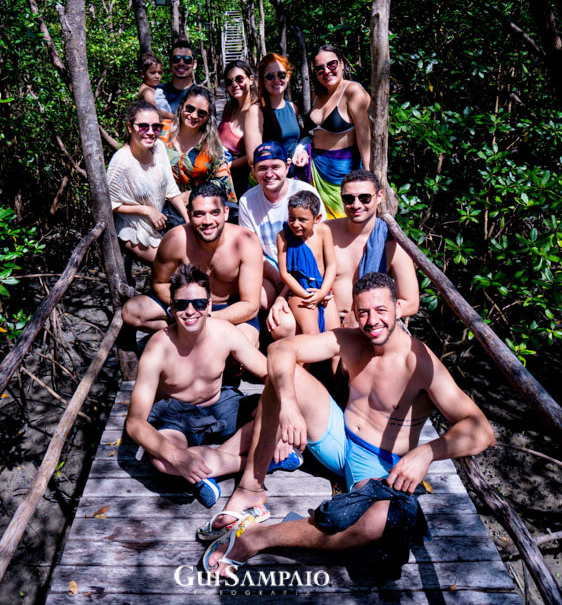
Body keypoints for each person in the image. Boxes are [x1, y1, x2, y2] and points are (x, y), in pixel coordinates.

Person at [202, 272, 494, 579]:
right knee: (282, 375)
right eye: (363, 312)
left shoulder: (420, 362)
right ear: (354, 312)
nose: (372, 321)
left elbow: (481, 430)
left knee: (380, 523)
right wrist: (289, 405)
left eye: (381, 310)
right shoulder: (353, 340)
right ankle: (250, 490)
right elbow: (280, 350)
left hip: (379, 467)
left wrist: (426, 453)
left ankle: (256, 538)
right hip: (339, 438)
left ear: (398, 308)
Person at [125, 265, 269, 510]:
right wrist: (176, 455)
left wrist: (288, 411)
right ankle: (255, 463)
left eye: (199, 303)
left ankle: (206, 471)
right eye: (181, 305)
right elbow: (135, 422)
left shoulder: (225, 332)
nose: (190, 311)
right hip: (175, 415)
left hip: (221, 405)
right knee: (162, 460)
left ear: (210, 306)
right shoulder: (158, 348)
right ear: (172, 309)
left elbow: (271, 374)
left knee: (274, 413)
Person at [121, 182, 263, 349]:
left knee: (247, 343)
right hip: (185, 304)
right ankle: (182, 332)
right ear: (188, 214)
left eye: (214, 213)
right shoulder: (176, 239)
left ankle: (197, 337)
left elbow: (250, 305)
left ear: (225, 213)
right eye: (199, 214)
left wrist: (206, 317)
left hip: (228, 308)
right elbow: (159, 283)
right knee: (131, 312)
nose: (207, 221)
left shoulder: (246, 242)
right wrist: (184, 309)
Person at [237, 142, 322, 334]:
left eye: (275, 166)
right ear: (253, 170)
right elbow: (252, 252)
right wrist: (279, 281)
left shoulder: (305, 192)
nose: (269, 174)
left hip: (304, 268)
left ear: (287, 165)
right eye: (262, 168)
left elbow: (318, 242)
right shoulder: (247, 201)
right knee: (259, 297)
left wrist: (288, 286)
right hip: (271, 271)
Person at [326, 169, 420, 326]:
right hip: (325, 319)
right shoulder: (325, 232)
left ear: (379, 196)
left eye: (365, 198)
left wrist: (366, 315)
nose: (356, 205)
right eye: (348, 198)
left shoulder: (392, 243)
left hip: (369, 326)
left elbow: (411, 303)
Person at [106, 101, 189, 264]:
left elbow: (171, 189)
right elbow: (108, 204)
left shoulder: (158, 147)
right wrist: (145, 210)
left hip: (160, 222)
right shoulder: (121, 162)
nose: (150, 132)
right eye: (143, 127)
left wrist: (188, 220)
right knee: (175, 268)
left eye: (156, 127)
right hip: (134, 229)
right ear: (130, 127)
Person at [299, 45, 373, 219]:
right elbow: (311, 134)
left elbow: (364, 137)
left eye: (331, 64)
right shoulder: (318, 95)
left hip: (342, 173)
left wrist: (368, 175)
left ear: (341, 64)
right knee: (318, 223)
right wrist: (301, 149)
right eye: (320, 68)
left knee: (346, 223)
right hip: (315, 171)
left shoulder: (353, 92)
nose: (326, 71)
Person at [276, 191, 338, 335]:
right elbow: (284, 273)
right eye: (292, 218)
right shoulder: (283, 236)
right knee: (311, 333)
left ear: (317, 218)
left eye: (302, 220)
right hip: (299, 292)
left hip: (322, 290)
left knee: (336, 335)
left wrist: (323, 292)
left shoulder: (323, 231)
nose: (295, 224)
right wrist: (307, 296)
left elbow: (332, 265)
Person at [166, 85, 235, 205]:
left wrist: (194, 194)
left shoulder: (211, 143)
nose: (194, 115)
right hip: (161, 204)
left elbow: (223, 181)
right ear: (181, 106)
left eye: (201, 113)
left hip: (197, 205)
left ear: (208, 117)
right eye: (189, 108)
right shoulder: (160, 132)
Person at [244, 53, 309, 175]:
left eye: (281, 75)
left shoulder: (293, 108)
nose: (276, 80)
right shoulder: (256, 111)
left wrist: (303, 152)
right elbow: (253, 158)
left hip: (295, 176)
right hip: (270, 178)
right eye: (269, 76)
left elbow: (295, 143)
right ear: (263, 80)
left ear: (288, 76)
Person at [217, 59, 257, 200]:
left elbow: (255, 153)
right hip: (223, 174)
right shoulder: (229, 107)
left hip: (243, 179)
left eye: (239, 79)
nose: (234, 84)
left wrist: (228, 165)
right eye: (229, 82)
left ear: (251, 80)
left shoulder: (257, 110)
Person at [135, 53, 176, 139]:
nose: (157, 76)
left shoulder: (153, 88)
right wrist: (174, 117)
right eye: (153, 73)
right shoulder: (147, 91)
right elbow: (155, 112)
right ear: (142, 74)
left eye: (159, 73)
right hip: (158, 129)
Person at [158, 39, 197, 115]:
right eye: (176, 59)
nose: (181, 63)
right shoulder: (156, 93)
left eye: (187, 59)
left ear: (194, 64)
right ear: (169, 63)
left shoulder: (202, 96)